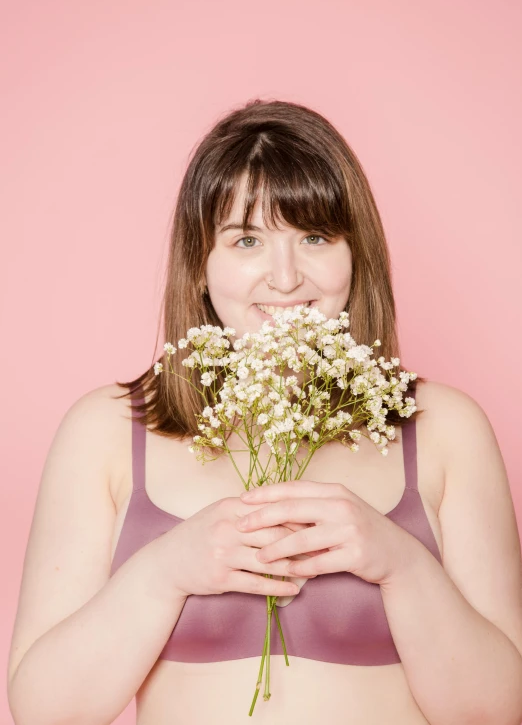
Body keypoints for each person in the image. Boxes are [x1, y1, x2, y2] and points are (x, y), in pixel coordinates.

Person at [7, 99, 522, 725]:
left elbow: (499, 711)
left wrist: (402, 564)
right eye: (247, 240)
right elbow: (44, 712)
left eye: (313, 237)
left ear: (355, 253)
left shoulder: (444, 428)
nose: (284, 277)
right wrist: (167, 570)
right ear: (200, 263)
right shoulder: (109, 431)